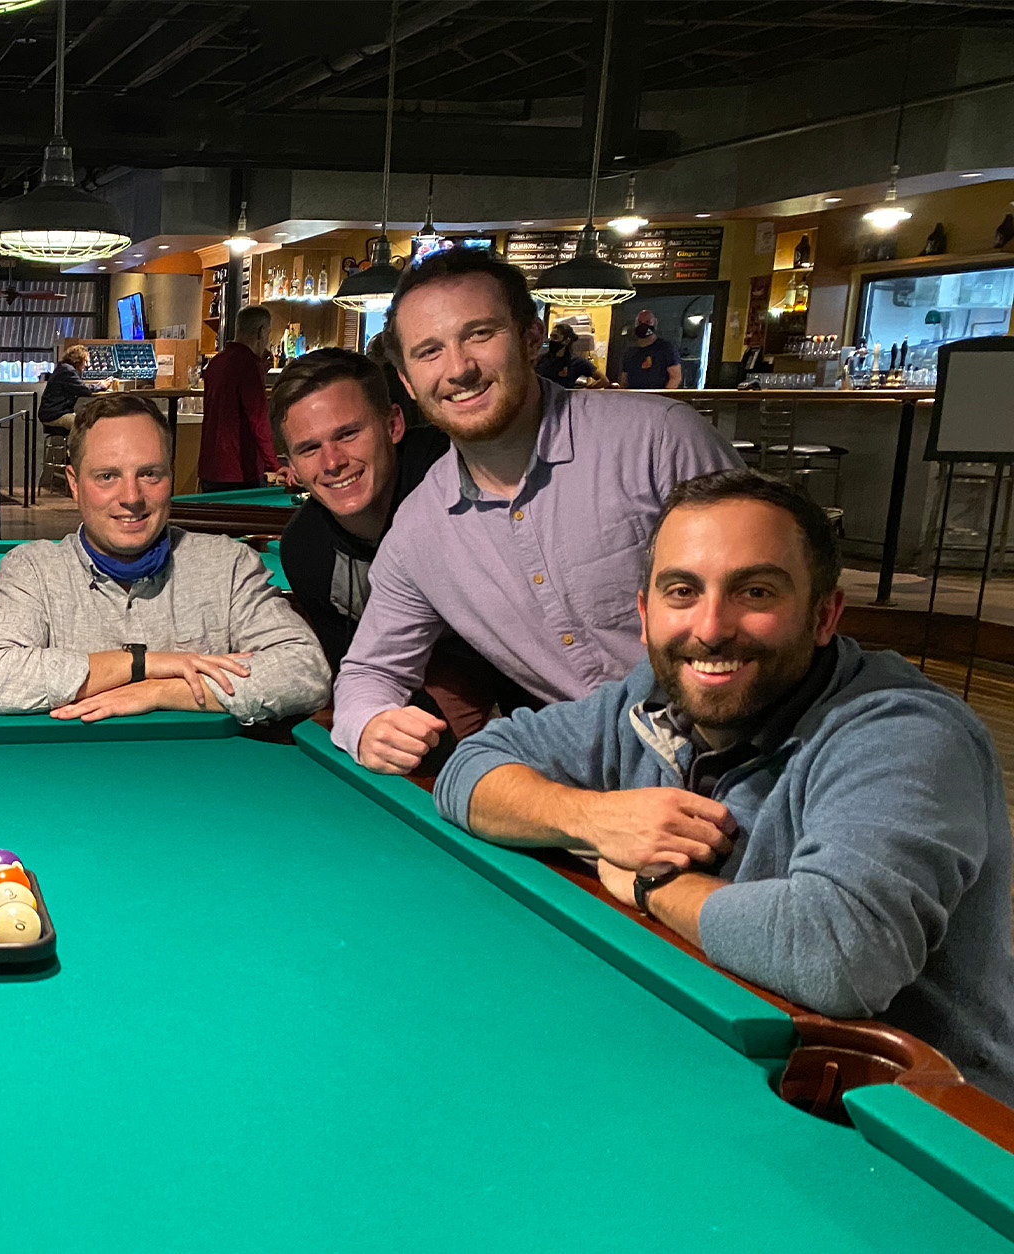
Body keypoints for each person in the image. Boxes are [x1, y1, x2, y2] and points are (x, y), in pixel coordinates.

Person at [434, 470, 1014, 1105]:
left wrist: (653, 884)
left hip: (922, 1124)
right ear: (645, 611)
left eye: (755, 591)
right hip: (723, 1066)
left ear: (825, 615)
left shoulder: (906, 734)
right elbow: (471, 769)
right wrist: (594, 819)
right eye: (682, 591)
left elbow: (844, 956)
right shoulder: (647, 697)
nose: (710, 628)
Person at [333, 247, 742, 774]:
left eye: (479, 334)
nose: (458, 369)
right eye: (429, 351)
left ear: (531, 339)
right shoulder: (419, 531)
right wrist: (370, 723)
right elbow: (368, 671)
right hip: (601, 780)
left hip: (750, 751)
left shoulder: (659, 441)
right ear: (409, 383)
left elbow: (772, 602)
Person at [0, 394, 329, 724]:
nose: (131, 497)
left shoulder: (228, 565)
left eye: (149, 474)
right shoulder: (32, 570)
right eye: (107, 476)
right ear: (74, 484)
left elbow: (306, 671)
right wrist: (142, 664)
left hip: (200, 782)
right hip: (68, 780)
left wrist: (161, 692)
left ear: (170, 476)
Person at [271, 351, 528, 766]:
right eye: (309, 448)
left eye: (349, 434)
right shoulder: (305, 548)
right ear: (293, 469)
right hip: (428, 685)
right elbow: (358, 673)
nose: (333, 462)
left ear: (393, 425)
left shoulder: (458, 473)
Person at [198, 305, 278, 492]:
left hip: (210, 466)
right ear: (261, 332)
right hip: (240, 470)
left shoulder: (217, 362)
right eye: (268, 333)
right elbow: (258, 422)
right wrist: (275, 465)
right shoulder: (248, 365)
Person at [36, 344, 101, 428]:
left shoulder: (63, 368)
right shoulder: (67, 371)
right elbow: (84, 390)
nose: (87, 365)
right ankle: (76, 441)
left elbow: (80, 387)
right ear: (78, 360)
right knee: (83, 427)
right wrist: (100, 386)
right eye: (85, 361)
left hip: (52, 412)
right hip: (54, 414)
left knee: (84, 421)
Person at [619, 310, 682, 389]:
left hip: (657, 399)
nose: (643, 325)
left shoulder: (666, 348)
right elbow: (624, 381)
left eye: (647, 322)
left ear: (655, 323)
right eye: (640, 322)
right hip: (634, 399)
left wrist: (662, 398)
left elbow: (675, 378)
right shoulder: (630, 352)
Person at [534, 321, 601, 388]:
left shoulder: (577, 362)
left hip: (563, 397)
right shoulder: (539, 359)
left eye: (555, 337)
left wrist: (584, 392)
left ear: (566, 341)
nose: (552, 340)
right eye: (551, 337)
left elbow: (603, 380)